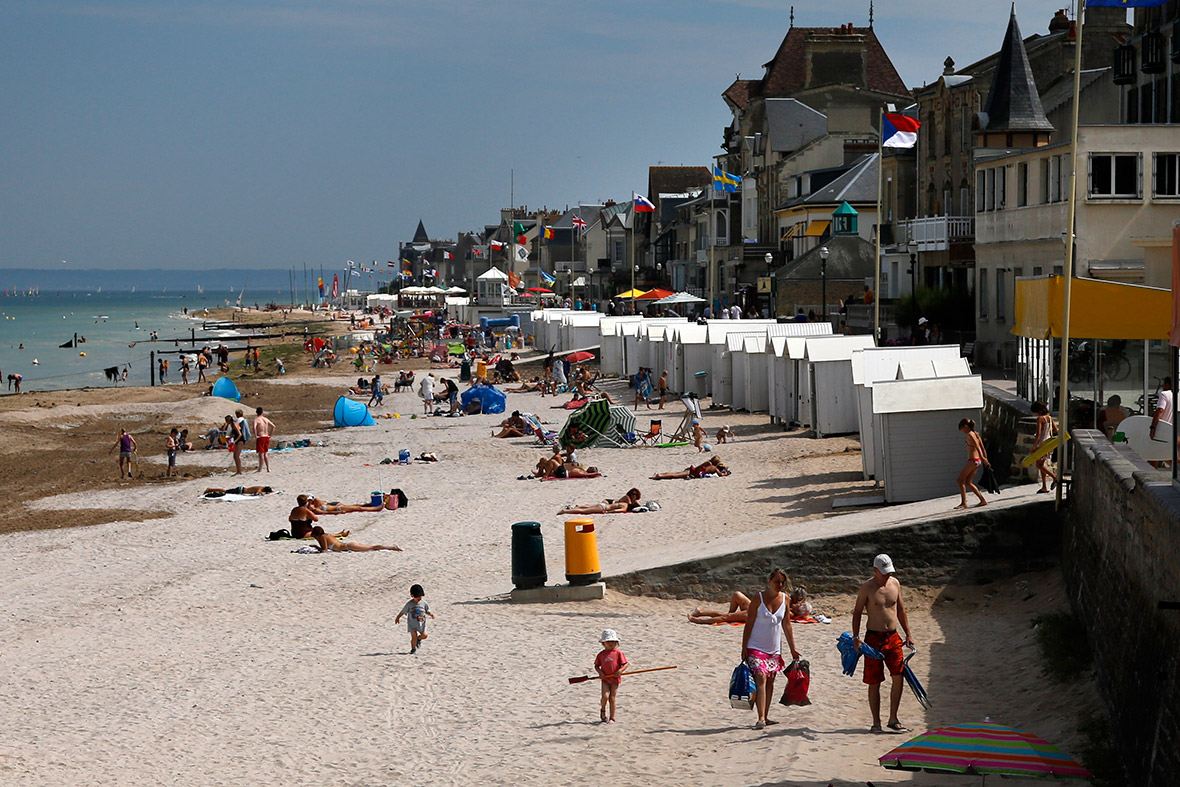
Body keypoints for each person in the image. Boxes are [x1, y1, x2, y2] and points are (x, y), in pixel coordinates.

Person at [851, 554, 913, 733]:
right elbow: (857, 612)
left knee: (898, 676)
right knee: (874, 681)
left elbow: (900, 609)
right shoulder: (867, 587)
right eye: (883, 572)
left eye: (889, 572)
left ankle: (893, 718)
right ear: (875, 570)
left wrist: (908, 634)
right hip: (873, 638)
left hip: (893, 637)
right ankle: (876, 722)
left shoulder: (895, 584)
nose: (887, 576)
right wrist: (856, 637)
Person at [740, 569, 802, 729]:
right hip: (755, 645)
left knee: (771, 682)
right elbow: (749, 623)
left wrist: (793, 649)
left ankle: (765, 716)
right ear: (769, 580)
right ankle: (760, 718)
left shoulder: (786, 599)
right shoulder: (758, 598)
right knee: (760, 677)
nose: (780, 585)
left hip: (774, 648)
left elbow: (787, 625)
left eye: (782, 582)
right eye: (777, 581)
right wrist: (744, 646)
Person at [594, 629, 628, 723]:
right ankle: (603, 710)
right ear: (603, 643)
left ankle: (612, 718)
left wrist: (620, 670)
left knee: (612, 698)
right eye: (608, 642)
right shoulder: (601, 654)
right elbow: (596, 666)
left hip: (615, 679)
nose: (611, 644)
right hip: (605, 679)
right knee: (605, 697)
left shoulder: (618, 653)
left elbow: (625, 664)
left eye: (613, 642)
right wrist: (600, 672)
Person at [955, 418, 989, 509]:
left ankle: (963, 503)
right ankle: (982, 500)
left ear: (965, 426)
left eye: (962, 429)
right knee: (968, 482)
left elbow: (978, 447)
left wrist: (983, 458)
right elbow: (983, 448)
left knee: (960, 480)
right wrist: (985, 459)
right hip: (977, 461)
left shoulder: (970, 434)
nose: (962, 431)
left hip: (973, 461)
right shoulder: (977, 435)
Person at [395, 583, 435, 654]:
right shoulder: (409, 604)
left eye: (421, 597)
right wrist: (398, 617)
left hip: (421, 624)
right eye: (417, 597)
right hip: (412, 624)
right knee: (413, 637)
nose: (419, 599)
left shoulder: (424, 603)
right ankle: (413, 649)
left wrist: (430, 614)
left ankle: (418, 639)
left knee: (425, 635)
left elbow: (427, 610)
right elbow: (403, 611)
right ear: (412, 596)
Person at [1030, 402, 1058, 494]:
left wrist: (1034, 446)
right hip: (1048, 443)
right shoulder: (1049, 418)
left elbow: (1038, 434)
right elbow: (1055, 429)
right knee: (1042, 465)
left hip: (1041, 444)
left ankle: (1054, 477)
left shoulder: (1040, 419)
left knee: (1039, 465)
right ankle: (1044, 486)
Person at [311, 526, 401, 553]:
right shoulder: (327, 535)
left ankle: (392, 547)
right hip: (348, 545)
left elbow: (324, 550)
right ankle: (392, 547)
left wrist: (316, 547)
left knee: (372, 547)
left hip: (348, 546)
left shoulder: (322, 537)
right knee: (372, 547)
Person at [1149, 376, 1174, 468]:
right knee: (1171, 455)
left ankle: (1152, 476)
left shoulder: (1164, 394)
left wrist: (1153, 427)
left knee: (1154, 455)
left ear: (1167, 385)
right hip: (1174, 431)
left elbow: (1160, 410)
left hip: (1162, 430)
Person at [558, 489, 642, 515]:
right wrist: (609, 512)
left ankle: (575, 507)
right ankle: (566, 511)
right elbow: (620, 510)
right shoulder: (626, 504)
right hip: (604, 507)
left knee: (588, 508)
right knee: (584, 511)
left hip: (603, 505)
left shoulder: (625, 503)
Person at [650, 455, 730, 480]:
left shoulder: (708, 463)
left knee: (676, 473)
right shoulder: (714, 468)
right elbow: (721, 475)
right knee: (675, 475)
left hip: (693, 470)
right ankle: (659, 476)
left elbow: (698, 467)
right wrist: (727, 473)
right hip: (694, 474)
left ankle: (659, 474)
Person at [254, 407, 275, 473]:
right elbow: (273, 426)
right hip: (266, 436)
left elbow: (254, 428)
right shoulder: (265, 419)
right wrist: (270, 435)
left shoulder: (257, 420)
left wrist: (255, 436)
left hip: (261, 437)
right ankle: (268, 468)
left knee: (261, 454)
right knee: (265, 453)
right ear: (262, 412)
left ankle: (260, 469)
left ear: (256, 412)